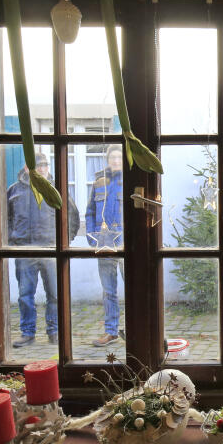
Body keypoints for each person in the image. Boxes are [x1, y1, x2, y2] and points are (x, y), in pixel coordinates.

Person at [8, 153, 80, 347]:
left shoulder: (56, 189)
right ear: (27, 168)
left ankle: (54, 332)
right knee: (25, 295)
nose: (41, 169)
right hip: (24, 251)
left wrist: (65, 240)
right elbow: (5, 219)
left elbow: (72, 215)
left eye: (44, 165)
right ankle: (27, 333)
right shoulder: (14, 191)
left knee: (55, 294)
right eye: (37, 166)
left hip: (51, 250)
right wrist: (11, 242)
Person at [86, 144, 125, 347]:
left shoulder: (130, 180)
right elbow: (90, 211)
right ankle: (111, 332)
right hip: (105, 243)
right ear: (108, 160)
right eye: (113, 158)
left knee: (134, 288)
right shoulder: (99, 181)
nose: (116, 161)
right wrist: (92, 238)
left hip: (126, 243)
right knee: (109, 291)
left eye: (119, 158)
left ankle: (134, 330)